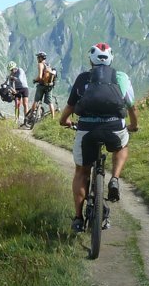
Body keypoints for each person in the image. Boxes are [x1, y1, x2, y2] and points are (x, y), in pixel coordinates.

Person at [58, 43, 138, 233]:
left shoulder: (83, 79)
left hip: (86, 130)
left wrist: (64, 121)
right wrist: (133, 125)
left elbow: (70, 107)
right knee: (122, 145)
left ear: (91, 60)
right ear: (111, 59)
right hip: (114, 127)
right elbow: (131, 106)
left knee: (81, 172)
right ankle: (115, 179)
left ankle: (78, 218)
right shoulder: (121, 77)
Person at [31, 52, 56, 120]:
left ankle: (31, 115)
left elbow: (39, 76)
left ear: (40, 58)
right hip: (49, 86)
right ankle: (53, 118)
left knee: (36, 100)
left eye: (38, 57)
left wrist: (35, 80)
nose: (37, 58)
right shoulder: (48, 65)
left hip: (42, 86)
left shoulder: (40, 64)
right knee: (50, 102)